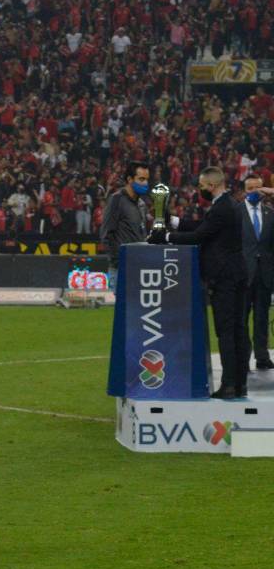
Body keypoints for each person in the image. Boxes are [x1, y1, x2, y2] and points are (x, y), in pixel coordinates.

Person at [149, 167, 247, 398]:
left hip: (224, 278)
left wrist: (165, 237)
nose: (200, 191)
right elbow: (203, 227)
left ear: (211, 185)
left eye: (202, 186)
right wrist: (171, 221)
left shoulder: (221, 208)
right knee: (238, 330)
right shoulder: (229, 204)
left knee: (226, 331)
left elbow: (199, 236)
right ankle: (239, 383)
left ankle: (230, 385)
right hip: (236, 274)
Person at [240, 175, 274, 372]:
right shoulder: (237, 213)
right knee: (241, 319)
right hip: (244, 274)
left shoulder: (270, 213)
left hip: (264, 275)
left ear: (264, 190)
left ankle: (262, 357)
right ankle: (243, 357)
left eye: (258, 188)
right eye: (250, 188)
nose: (254, 192)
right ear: (245, 190)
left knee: (261, 318)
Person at [101, 161, 151, 290]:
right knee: (124, 309)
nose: (145, 183)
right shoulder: (116, 200)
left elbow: (141, 234)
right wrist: (118, 261)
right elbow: (106, 234)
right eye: (141, 179)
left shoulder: (141, 204)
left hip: (139, 267)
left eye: (146, 179)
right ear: (129, 179)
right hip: (121, 270)